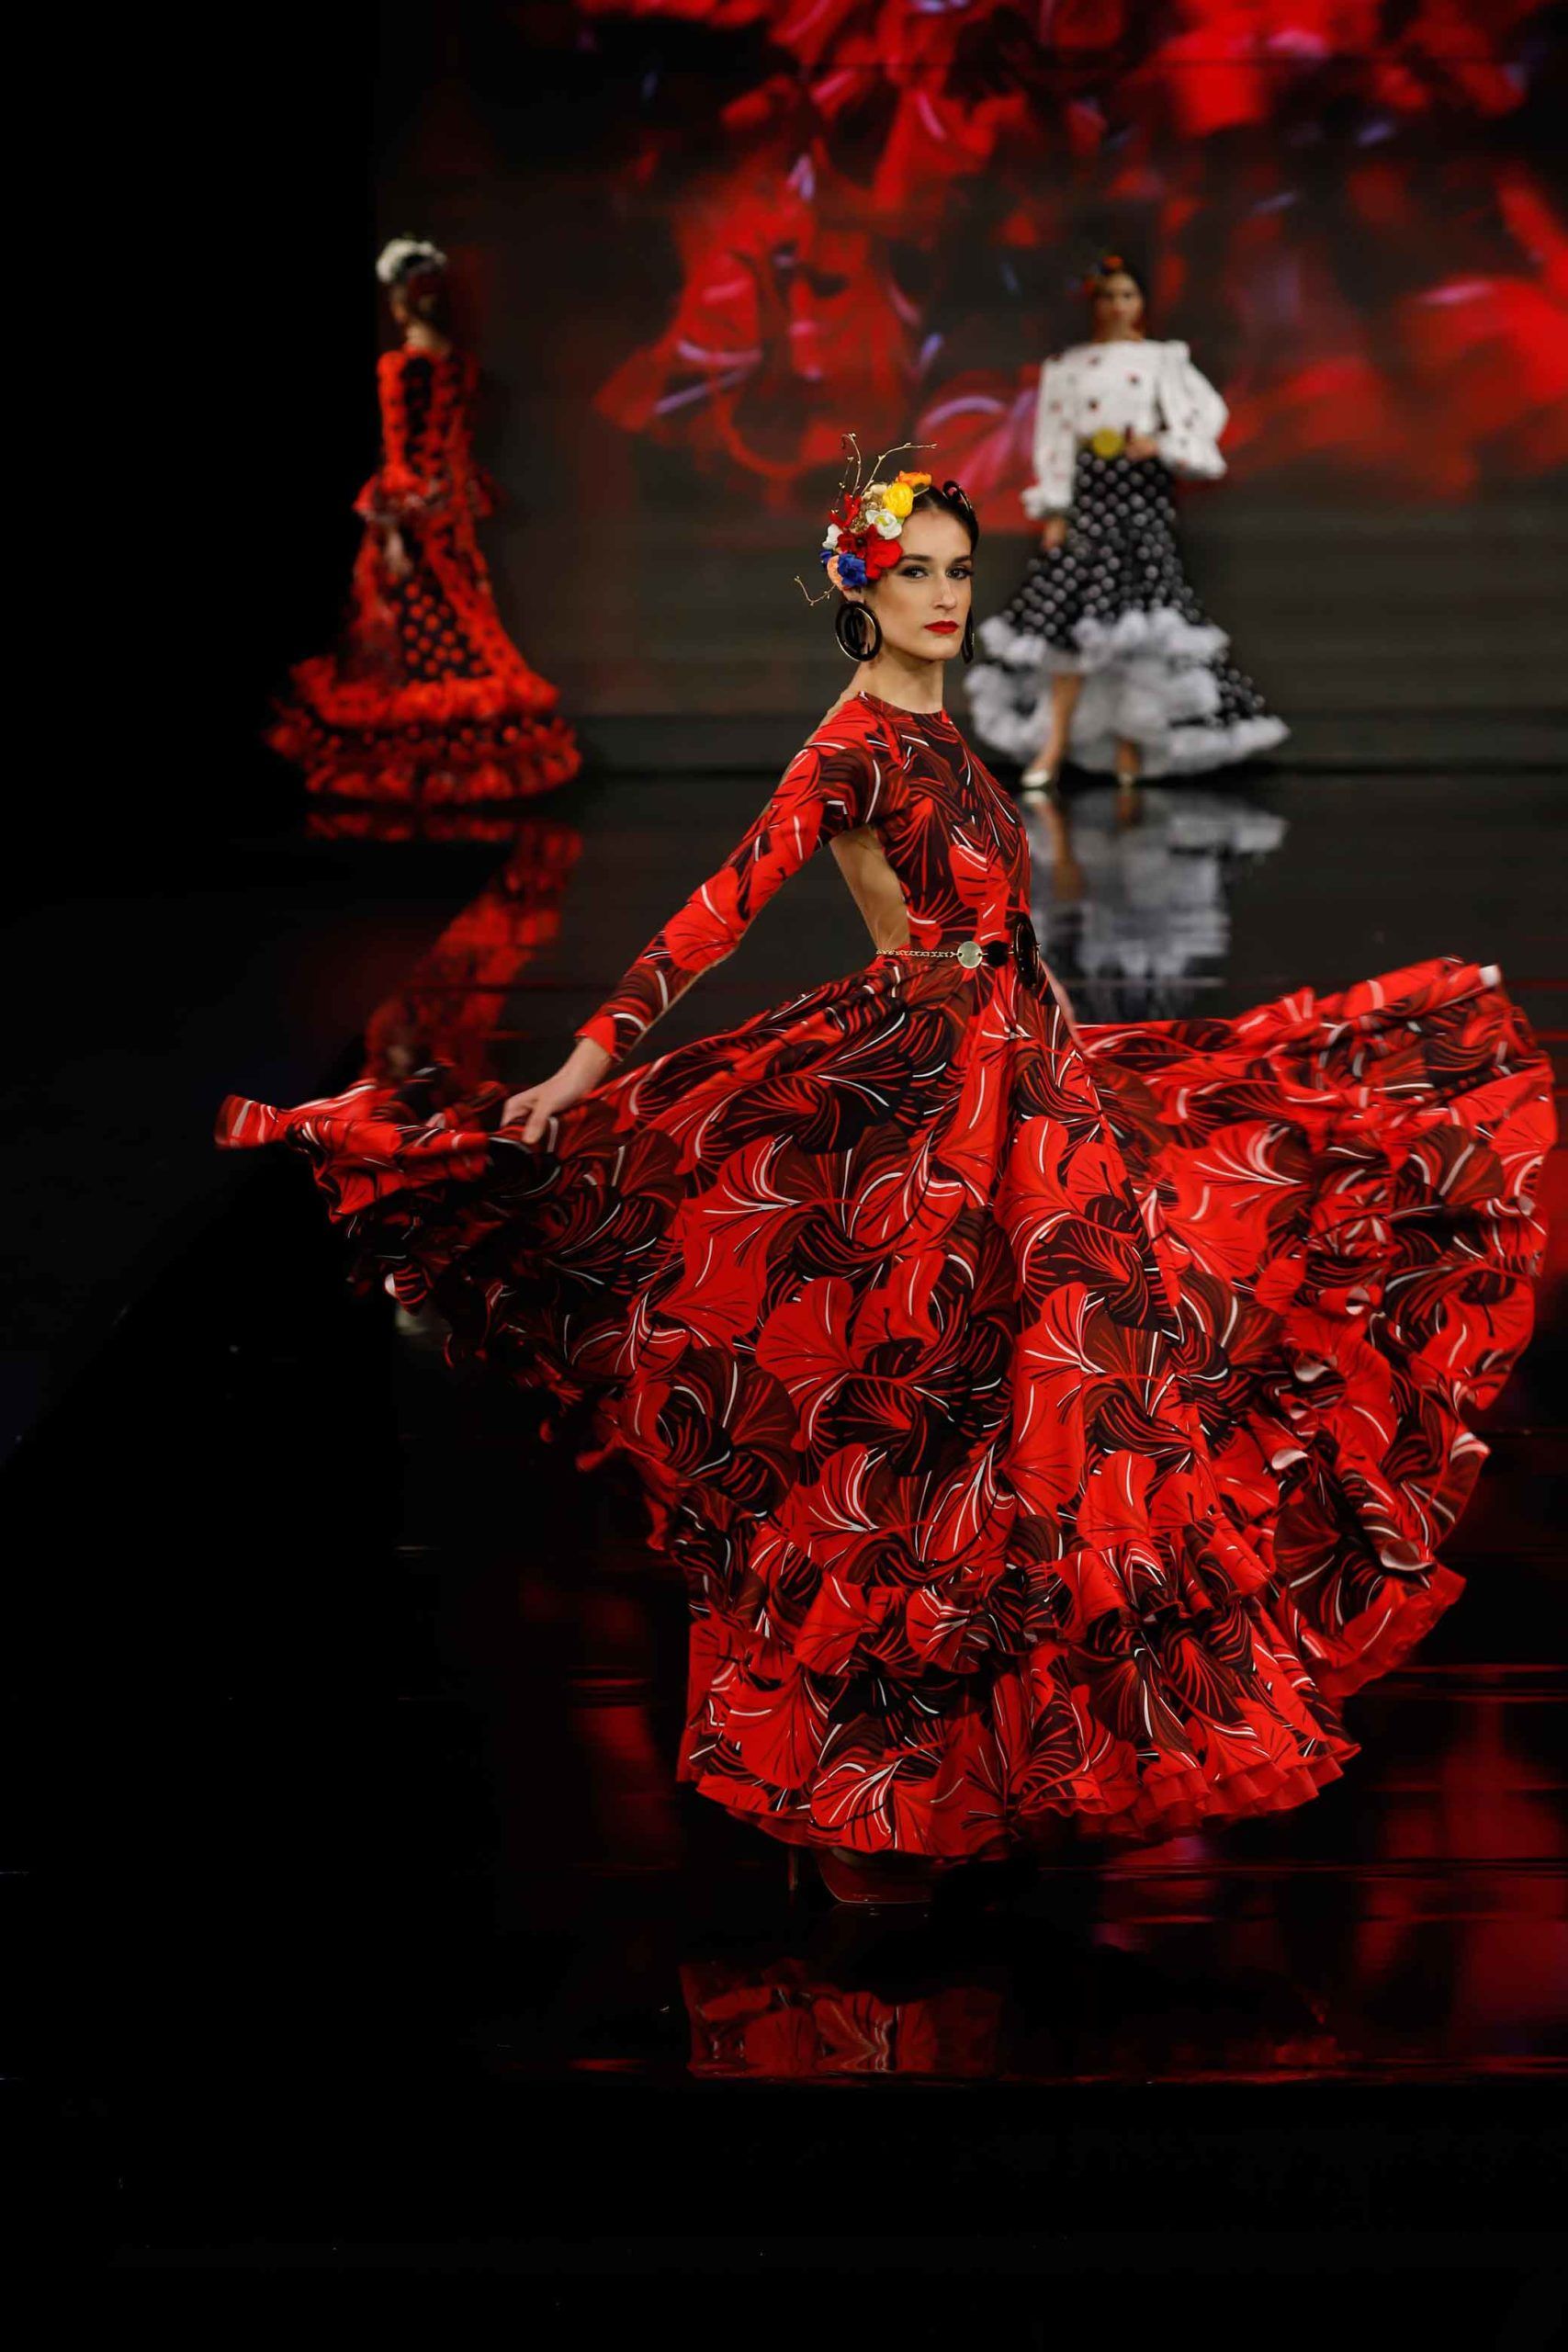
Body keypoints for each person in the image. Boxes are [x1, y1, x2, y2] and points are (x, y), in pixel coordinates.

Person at [219, 458, 1552, 1908]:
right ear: (857, 584)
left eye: (959, 571)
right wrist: (581, 1066)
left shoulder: (943, 732)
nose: (943, 596)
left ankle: (1049, 1756)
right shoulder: (847, 746)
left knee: (1092, 1394)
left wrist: (1063, 1058)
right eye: (914, 570)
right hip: (936, 1103)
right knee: (954, 1426)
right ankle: (902, 1774)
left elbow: (999, 932)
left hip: (1033, 1084)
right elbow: (711, 917)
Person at [966, 254, 1285, 830]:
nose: (1118, 306)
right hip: (1092, 493)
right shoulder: (1068, 367)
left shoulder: (1164, 360)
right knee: (1072, 624)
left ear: (1141, 303)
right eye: (1108, 296)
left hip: (1141, 495)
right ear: (1095, 303)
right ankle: (1053, 746)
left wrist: (1162, 442)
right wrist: (1057, 507)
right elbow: (1055, 438)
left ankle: (1130, 747)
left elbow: (1208, 414)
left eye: (1127, 296)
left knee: (1135, 626)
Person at [266, 236, 580, 808]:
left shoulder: (403, 367)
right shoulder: (456, 367)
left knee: (416, 645)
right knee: (448, 639)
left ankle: (426, 773)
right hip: (449, 523)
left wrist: (390, 530)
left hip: (418, 527)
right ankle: (444, 771)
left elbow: (402, 456)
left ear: (399, 302)